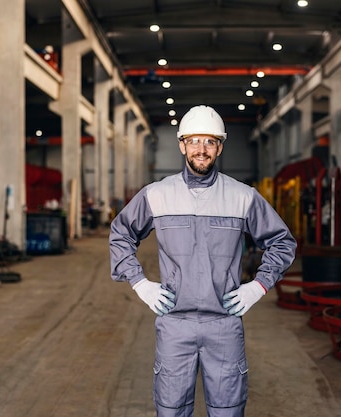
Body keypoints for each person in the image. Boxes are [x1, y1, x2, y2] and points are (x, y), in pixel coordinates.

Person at [109, 105, 297, 417]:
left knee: (228, 411)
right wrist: (140, 283)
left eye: (210, 142)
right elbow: (120, 233)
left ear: (220, 147)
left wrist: (258, 287)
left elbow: (282, 241)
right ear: (182, 144)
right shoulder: (157, 194)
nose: (202, 149)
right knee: (171, 411)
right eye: (194, 141)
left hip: (224, 325)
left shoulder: (242, 196)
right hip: (174, 325)